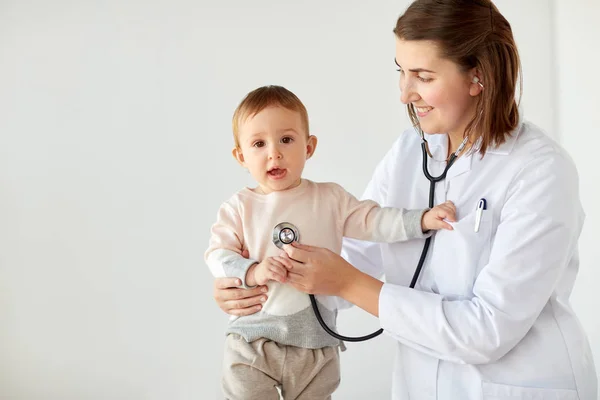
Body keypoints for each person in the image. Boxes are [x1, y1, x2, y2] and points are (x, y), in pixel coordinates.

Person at [212, 1, 598, 399]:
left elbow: (486, 331)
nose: (404, 93)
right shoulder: (410, 151)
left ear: (478, 76)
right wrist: (252, 284)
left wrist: (346, 283)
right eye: (401, 71)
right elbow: (351, 254)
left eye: (423, 76)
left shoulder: (540, 170)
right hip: (421, 385)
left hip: (517, 385)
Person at [205, 85, 457, 400]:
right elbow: (217, 255)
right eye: (259, 143)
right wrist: (252, 272)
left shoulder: (330, 199)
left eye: (286, 139)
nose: (274, 153)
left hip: (315, 341)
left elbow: (373, 220)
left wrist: (420, 220)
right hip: (253, 339)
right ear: (241, 156)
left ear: (309, 147)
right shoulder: (238, 207)